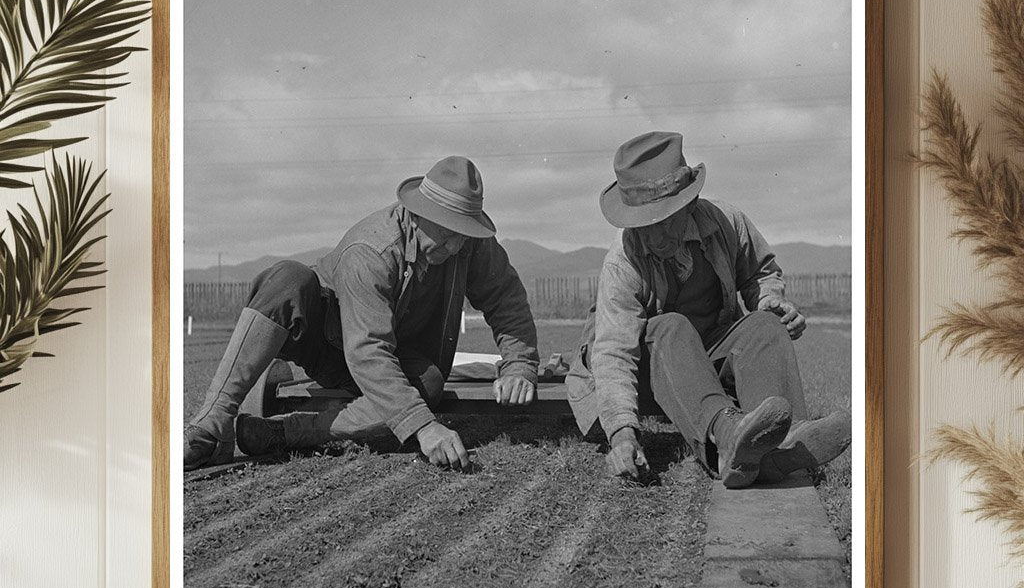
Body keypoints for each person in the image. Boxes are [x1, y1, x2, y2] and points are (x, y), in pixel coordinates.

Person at [184, 155, 539, 472]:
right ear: (417, 216)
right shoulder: (372, 250)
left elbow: (505, 297)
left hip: (392, 352)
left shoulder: (468, 244)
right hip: (331, 342)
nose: (455, 246)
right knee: (287, 280)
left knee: (427, 384)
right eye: (447, 234)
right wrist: (424, 426)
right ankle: (212, 423)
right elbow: (367, 349)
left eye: (463, 235)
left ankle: (282, 431)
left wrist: (519, 364)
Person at [566, 131, 851, 488]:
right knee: (670, 325)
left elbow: (761, 273)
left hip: (705, 358)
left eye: (663, 219)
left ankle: (784, 443)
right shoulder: (622, 263)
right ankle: (728, 437)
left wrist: (770, 299)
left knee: (762, 325)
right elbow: (612, 353)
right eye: (642, 224)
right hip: (648, 371)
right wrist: (622, 432)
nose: (652, 235)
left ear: (689, 204)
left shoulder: (726, 221)